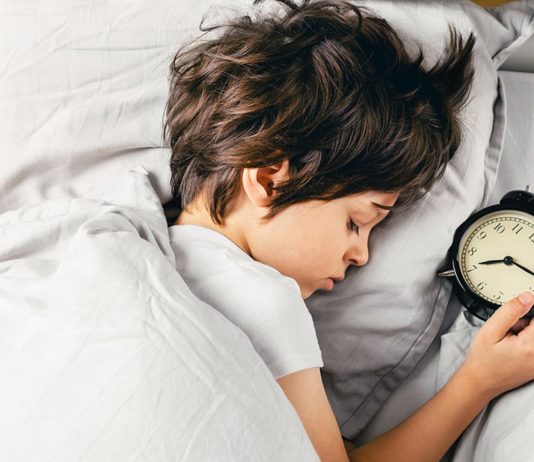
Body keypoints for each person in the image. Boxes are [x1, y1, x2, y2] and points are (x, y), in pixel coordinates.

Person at [162, 0, 534, 460]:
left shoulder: (150, 240)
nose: (362, 255)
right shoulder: (266, 300)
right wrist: (480, 381)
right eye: (357, 222)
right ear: (268, 179)